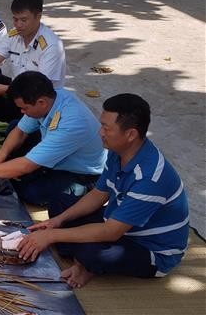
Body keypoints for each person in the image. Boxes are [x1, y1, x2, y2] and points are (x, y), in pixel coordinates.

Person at [17, 94, 190, 289]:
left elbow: (111, 232)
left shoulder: (150, 178)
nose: (100, 132)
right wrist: (58, 223)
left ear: (131, 134)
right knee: (60, 204)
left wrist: (51, 235)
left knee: (91, 252)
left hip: (151, 249)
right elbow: (98, 194)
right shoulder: (118, 152)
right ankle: (81, 261)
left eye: (106, 128)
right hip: (119, 222)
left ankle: (84, 263)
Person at [0, 71, 106, 217]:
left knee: (31, 193)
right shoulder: (51, 97)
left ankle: (85, 190)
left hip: (82, 173)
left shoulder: (71, 124)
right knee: (14, 126)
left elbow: (26, 166)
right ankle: (26, 167)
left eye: (24, 108)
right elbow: (20, 131)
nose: (22, 112)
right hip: (58, 150)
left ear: (41, 102)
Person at [0, 0, 67, 122]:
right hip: (15, 88)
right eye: (15, 19)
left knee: (14, 119)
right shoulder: (14, 35)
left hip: (36, 98)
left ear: (38, 17)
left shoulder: (51, 46)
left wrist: (7, 90)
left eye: (23, 20)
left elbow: (41, 88)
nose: (18, 24)